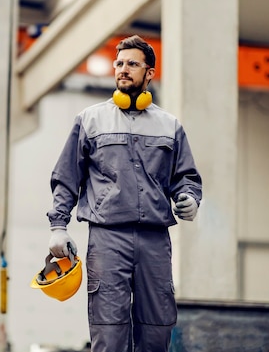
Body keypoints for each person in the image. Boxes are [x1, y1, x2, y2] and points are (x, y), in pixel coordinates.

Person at [46, 35, 202, 352]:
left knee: (157, 326)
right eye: (119, 63)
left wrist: (189, 198)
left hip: (155, 240)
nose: (123, 69)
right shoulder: (90, 120)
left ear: (149, 73)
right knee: (108, 328)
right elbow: (67, 177)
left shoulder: (169, 126)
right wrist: (58, 226)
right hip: (107, 237)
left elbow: (186, 177)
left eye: (132, 64)